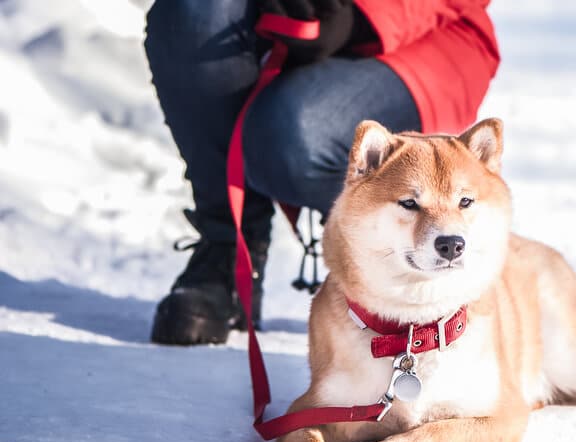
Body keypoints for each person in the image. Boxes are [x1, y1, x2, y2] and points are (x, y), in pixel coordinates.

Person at [144, 0, 500, 345]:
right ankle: (229, 246)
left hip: (422, 33)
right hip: (267, 22)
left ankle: (391, 264)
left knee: (293, 134)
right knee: (189, 11)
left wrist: (362, 17)